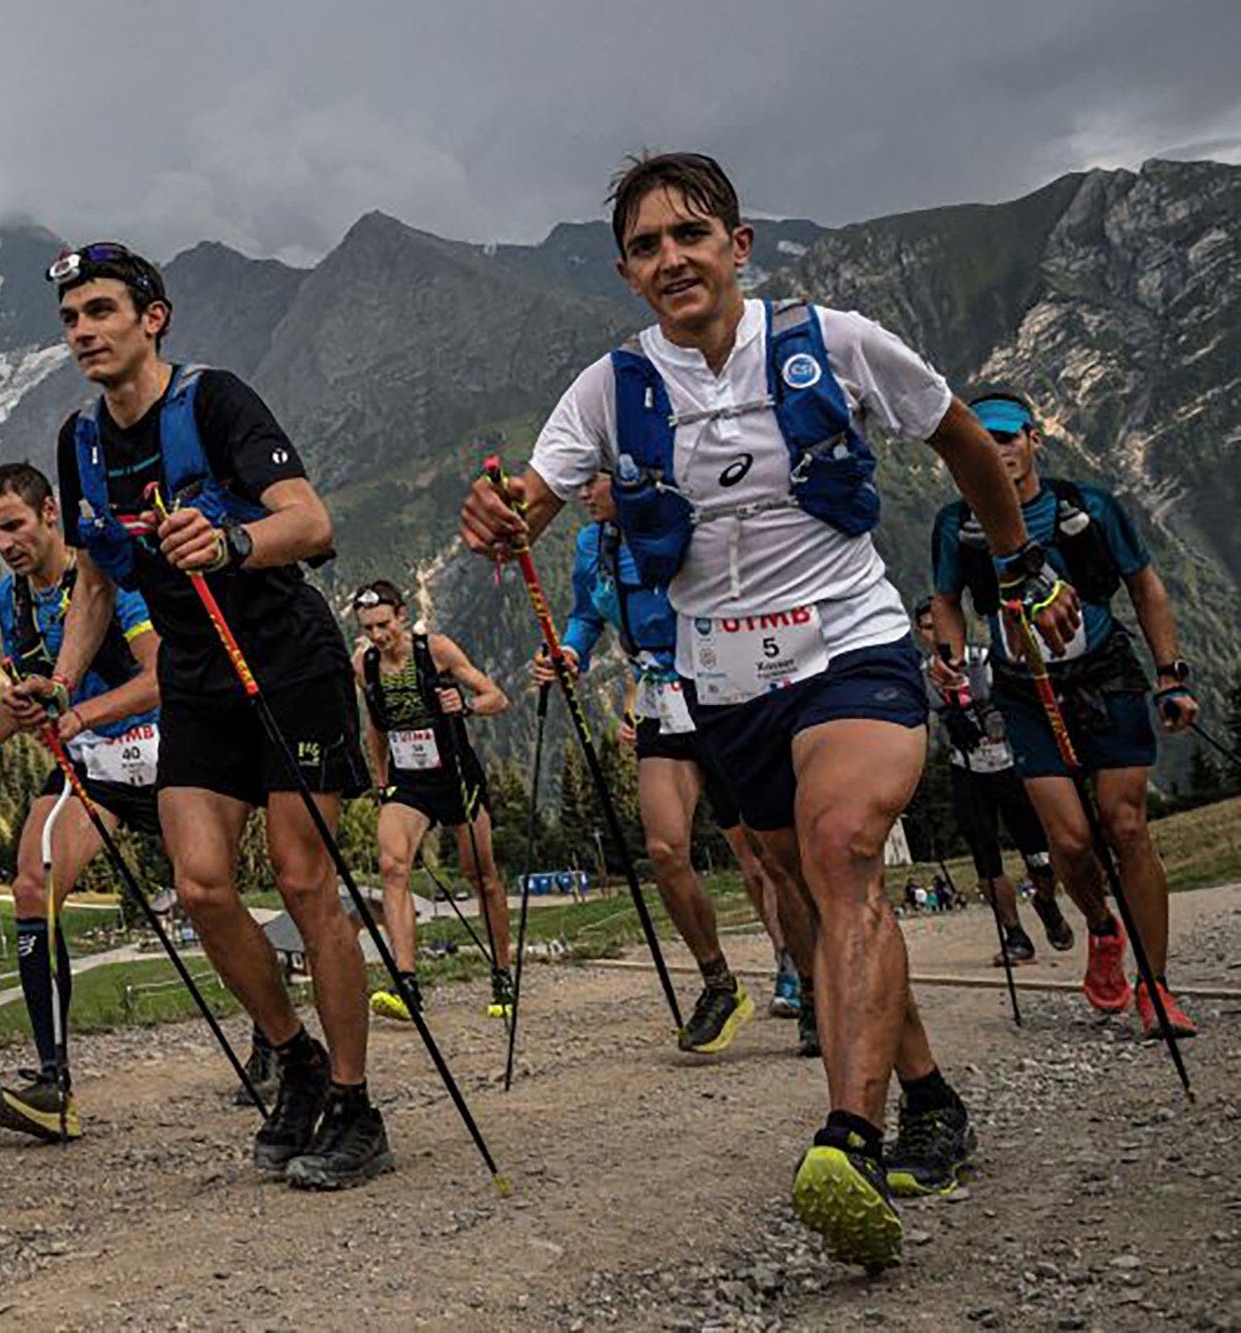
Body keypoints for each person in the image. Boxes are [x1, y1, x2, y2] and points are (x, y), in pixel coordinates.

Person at [460, 153, 1081, 1270]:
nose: (671, 258)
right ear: (625, 272)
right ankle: (930, 1090)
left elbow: (961, 439)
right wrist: (500, 518)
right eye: (646, 246)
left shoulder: (834, 341)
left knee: (846, 852)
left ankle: (849, 1135)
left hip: (852, 646)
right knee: (814, 889)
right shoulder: (610, 388)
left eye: (690, 233)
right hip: (725, 685)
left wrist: (1019, 562)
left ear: (738, 246)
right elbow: (531, 503)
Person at [42, 241, 390, 1191]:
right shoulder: (79, 441)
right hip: (198, 675)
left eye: (102, 311)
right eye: (72, 318)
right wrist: (62, 680)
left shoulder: (215, 400)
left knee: (303, 876)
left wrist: (232, 540)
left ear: (152, 318)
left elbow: (310, 523)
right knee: (200, 884)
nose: (84, 332)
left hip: (286, 660)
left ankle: (358, 1107)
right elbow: (95, 578)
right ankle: (297, 1057)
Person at [927, 392, 1202, 1039]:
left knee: (1126, 824)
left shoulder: (1088, 508)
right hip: (1022, 690)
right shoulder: (956, 525)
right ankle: (1103, 928)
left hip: (1104, 675)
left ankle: (1155, 987)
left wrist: (1170, 677)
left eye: (1008, 437)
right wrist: (947, 656)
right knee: (1072, 842)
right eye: (984, 439)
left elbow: (1145, 585)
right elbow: (946, 600)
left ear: (1032, 440)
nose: (997, 449)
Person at [0, 461, 179, 1141]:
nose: (5, 542)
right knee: (29, 884)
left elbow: (163, 676)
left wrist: (78, 709)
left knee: (207, 893)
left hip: (164, 749)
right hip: (90, 763)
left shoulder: (102, 578)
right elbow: (34, 692)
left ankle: (278, 1046)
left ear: (49, 513)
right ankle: (53, 1082)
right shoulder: (10, 600)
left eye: (13, 524)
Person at [536, 469, 797, 1053]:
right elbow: (587, 614)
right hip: (658, 697)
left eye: (593, 481)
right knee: (664, 850)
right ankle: (719, 983)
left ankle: (806, 972)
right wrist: (570, 652)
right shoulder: (591, 544)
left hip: (723, 688)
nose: (582, 493)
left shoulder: (682, 521)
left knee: (768, 855)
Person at [346, 579, 516, 1021]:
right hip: (408, 781)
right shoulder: (364, 664)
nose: (379, 636)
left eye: (384, 624)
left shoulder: (436, 650)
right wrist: (382, 781)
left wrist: (464, 705)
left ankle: (501, 971)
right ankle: (407, 985)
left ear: (401, 615)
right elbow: (375, 727)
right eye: (369, 629)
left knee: (481, 875)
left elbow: (498, 698)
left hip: (455, 775)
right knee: (392, 867)